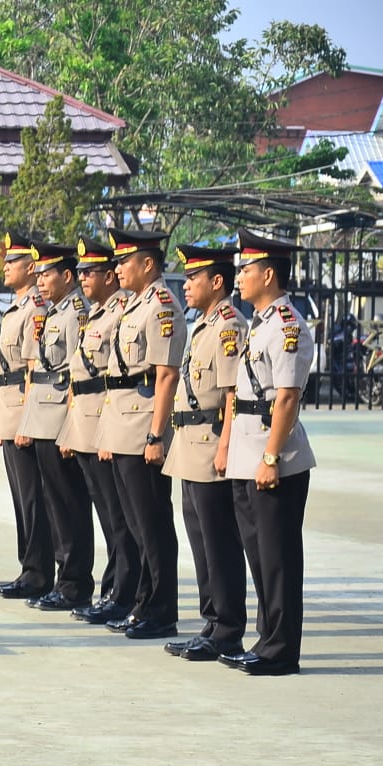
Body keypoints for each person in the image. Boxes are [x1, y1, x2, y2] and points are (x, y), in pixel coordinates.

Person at [220, 229, 316, 676]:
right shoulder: (259, 323)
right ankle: (266, 641)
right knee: (258, 555)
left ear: (269, 274)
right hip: (247, 452)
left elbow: (287, 398)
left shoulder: (287, 325)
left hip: (273, 457)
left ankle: (281, 651)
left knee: (277, 557)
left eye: (246, 270)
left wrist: (272, 458)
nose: (239, 277)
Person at [94, 228, 187, 640]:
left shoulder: (161, 306)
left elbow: (165, 376)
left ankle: (161, 609)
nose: (117, 269)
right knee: (132, 523)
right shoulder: (134, 306)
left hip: (143, 424)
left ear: (147, 264)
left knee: (152, 524)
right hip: (122, 422)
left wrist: (156, 436)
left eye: (124, 262)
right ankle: (143, 602)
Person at [161, 246, 249, 662]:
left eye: (194, 278)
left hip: (213, 443)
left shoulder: (230, 326)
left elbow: (232, 394)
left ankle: (229, 628)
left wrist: (227, 447)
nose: (187, 285)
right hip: (190, 445)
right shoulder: (202, 326)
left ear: (217, 282)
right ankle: (211, 623)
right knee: (200, 539)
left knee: (219, 542)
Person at [58, 238, 142, 626]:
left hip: (110, 419)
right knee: (107, 512)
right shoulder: (96, 314)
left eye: (90, 272)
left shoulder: (121, 312)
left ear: (110, 277)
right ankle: (114, 589)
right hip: (89, 417)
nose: (82, 278)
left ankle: (122, 591)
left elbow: (117, 379)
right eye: (82, 272)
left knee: (118, 517)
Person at [15, 242, 96, 611]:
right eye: (39, 273)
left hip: (62, 415)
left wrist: (71, 426)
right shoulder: (54, 312)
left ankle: (75, 583)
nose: (40, 280)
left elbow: (82, 373)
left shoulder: (78, 313)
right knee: (54, 502)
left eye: (47, 273)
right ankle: (65, 580)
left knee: (69, 503)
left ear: (67, 276)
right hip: (44, 414)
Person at [0, 233, 52, 601]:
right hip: (9, 405)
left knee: (32, 497)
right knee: (19, 496)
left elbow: (31, 367)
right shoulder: (16, 307)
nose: (5, 267)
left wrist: (25, 420)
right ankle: (28, 566)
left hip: (23, 407)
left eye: (13, 262)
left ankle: (38, 572)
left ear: (30, 267)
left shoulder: (36, 309)